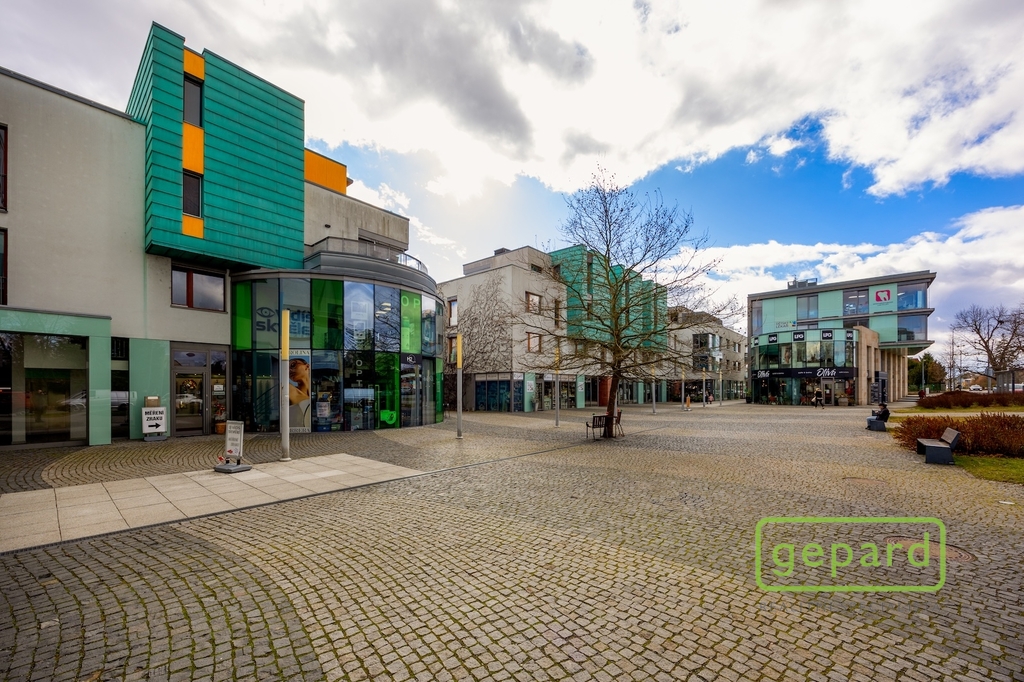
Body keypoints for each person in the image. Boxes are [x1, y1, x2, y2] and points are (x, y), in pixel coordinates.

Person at [288, 357, 311, 429]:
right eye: (287, 370)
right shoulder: (289, 390)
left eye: (293, 365)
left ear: (307, 366)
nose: (290, 370)